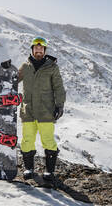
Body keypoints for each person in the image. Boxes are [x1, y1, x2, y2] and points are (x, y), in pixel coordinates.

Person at [18, 37, 66, 181]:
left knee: (48, 140)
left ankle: (50, 172)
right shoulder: (25, 66)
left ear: (44, 51)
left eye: (41, 49)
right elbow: (14, 80)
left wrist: (60, 105)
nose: (38, 51)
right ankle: (29, 169)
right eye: (36, 48)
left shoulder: (51, 67)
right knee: (27, 140)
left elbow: (59, 87)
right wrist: (7, 72)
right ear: (32, 49)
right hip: (28, 110)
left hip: (46, 111)